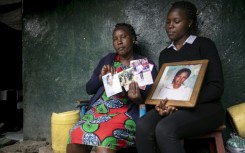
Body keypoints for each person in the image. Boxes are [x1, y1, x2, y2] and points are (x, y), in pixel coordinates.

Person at [136, 1, 225, 153]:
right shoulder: (165, 54)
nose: (170, 25)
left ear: (189, 22)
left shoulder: (204, 45)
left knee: (165, 129)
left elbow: (216, 87)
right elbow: (164, 91)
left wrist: (182, 103)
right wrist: (161, 105)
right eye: (168, 22)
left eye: (176, 21)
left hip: (207, 108)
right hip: (174, 108)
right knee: (143, 125)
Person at [66, 23, 158, 153]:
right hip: (99, 111)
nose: (119, 42)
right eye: (115, 39)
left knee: (104, 139)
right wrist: (100, 78)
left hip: (125, 112)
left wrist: (138, 99)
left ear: (133, 38)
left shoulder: (143, 64)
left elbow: (150, 99)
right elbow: (89, 89)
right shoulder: (108, 60)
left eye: (123, 37)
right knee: (74, 134)